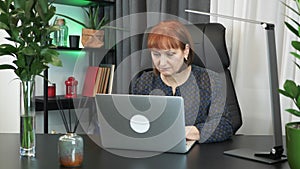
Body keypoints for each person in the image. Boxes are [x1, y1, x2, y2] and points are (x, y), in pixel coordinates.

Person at [132, 20, 233, 143]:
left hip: (198, 154)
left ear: (185, 50)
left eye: (170, 54)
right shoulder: (145, 81)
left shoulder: (209, 81)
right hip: (155, 150)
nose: (162, 63)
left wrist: (196, 131)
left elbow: (224, 124)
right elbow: (135, 121)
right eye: (156, 54)